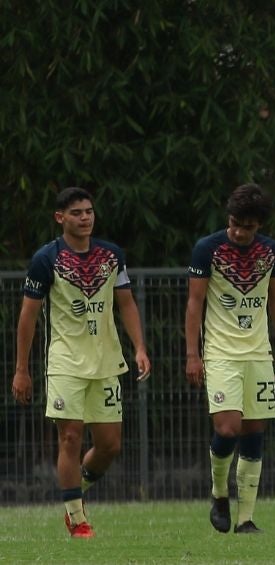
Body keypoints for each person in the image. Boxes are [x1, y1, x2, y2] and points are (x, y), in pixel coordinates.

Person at [10, 187, 152, 539]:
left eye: (88, 211)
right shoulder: (46, 259)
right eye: (76, 212)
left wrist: (139, 347)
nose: (85, 217)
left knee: (109, 445)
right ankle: (77, 519)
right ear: (61, 218)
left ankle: (76, 493)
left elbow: (127, 304)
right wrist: (21, 369)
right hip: (65, 362)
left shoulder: (111, 256)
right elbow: (28, 317)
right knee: (70, 437)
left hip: (106, 362)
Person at [185, 183, 275, 534]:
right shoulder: (207, 249)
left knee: (254, 432)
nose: (238, 231)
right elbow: (195, 304)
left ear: (259, 225)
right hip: (220, 354)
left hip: (258, 353)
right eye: (234, 223)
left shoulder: (271, 252)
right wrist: (193, 354)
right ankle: (218, 494)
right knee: (227, 427)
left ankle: (245, 518)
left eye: (247, 226)